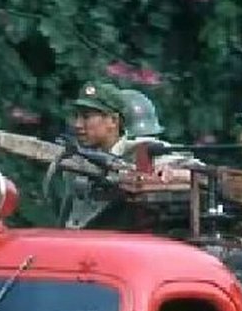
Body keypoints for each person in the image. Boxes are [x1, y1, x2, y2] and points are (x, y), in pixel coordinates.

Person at [59, 81, 173, 228]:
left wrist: (172, 171)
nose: (78, 125)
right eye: (77, 116)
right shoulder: (77, 159)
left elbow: (196, 170)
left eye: (86, 117)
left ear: (113, 121)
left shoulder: (138, 150)